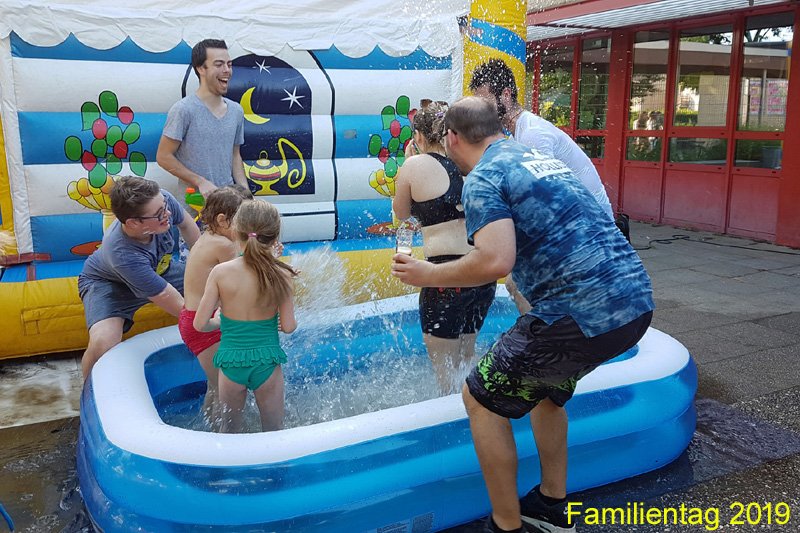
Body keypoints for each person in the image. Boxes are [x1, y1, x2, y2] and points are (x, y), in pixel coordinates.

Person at [391, 97, 654, 533]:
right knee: (546, 393)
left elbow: (495, 261)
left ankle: (506, 525)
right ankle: (551, 504)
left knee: (478, 398)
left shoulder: (484, 177)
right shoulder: (533, 156)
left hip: (580, 312)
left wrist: (427, 274)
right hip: (634, 302)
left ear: (452, 138)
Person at [392, 101, 496, 394]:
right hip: (480, 274)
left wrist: (410, 162)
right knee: (466, 358)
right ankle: (477, 411)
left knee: (445, 374)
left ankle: (455, 417)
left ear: (419, 136)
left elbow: (401, 213)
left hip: (445, 278)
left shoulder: (415, 165)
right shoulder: (471, 164)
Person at [78, 177, 201, 379]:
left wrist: (204, 268)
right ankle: (88, 389)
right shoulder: (121, 253)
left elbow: (188, 227)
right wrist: (208, 324)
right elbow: (174, 303)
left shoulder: (161, 200)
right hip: (108, 283)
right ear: (133, 223)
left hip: (159, 270)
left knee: (215, 285)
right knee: (104, 341)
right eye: (159, 213)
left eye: (165, 206)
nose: (168, 213)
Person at [193, 200, 297, 433]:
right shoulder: (282, 274)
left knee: (229, 431)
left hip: (231, 361)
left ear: (236, 231)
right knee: (274, 430)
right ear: (275, 236)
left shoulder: (221, 272)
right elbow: (289, 326)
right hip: (266, 361)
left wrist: (220, 320)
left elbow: (200, 324)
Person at [470, 58, 614, 221]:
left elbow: (543, 198)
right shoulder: (519, 132)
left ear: (506, 95)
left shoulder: (532, 133)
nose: (481, 111)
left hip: (592, 223)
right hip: (579, 217)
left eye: (485, 102)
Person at [178, 185, 252, 424]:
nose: (248, 229)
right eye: (244, 223)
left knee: (215, 384)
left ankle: (209, 427)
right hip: (204, 324)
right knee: (229, 388)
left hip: (197, 318)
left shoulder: (209, 237)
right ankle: (229, 436)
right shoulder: (224, 246)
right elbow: (247, 276)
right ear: (222, 220)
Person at [156, 39, 248, 197]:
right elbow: (163, 157)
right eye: (219, 64)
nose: (227, 70)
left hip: (228, 203)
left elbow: (235, 156)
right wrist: (200, 182)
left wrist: (246, 193)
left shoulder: (236, 111)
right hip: (194, 205)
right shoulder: (183, 109)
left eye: (229, 64)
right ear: (201, 68)